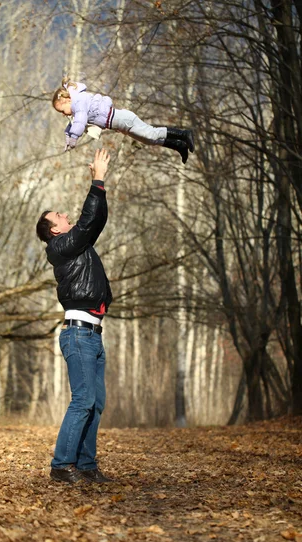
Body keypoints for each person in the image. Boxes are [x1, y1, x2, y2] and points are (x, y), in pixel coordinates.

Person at [36, 148, 113, 484]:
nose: (65, 216)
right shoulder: (60, 248)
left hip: (93, 334)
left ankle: (86, 465)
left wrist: (100, 188)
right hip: (78, 334)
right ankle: (61, 465)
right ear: (54, 231)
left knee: (96, 404)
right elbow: (87, 221)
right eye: (59, 216)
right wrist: (97, 180)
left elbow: (94, 221)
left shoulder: (75, 245)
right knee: (83, 399)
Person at [52, 76, 195, 164]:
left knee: (151, 134)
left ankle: (183, 134)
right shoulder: (76, 107)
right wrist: (68, 139)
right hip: (121, 125)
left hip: (123, 119)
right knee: (149, 140)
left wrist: (74, 138)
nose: (64, 114)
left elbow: (80, 121)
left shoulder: (79, 103)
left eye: (62, 111)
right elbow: (72, 125)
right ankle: (178, 145)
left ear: (66, 100)